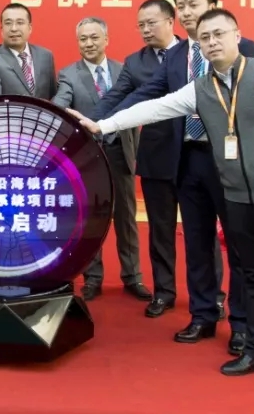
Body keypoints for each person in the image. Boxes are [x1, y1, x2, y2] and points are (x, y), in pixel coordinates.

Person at [70, 8, 254, 399]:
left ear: (237, 35)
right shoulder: (200, 88)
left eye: (219, 34)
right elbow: (154, 108)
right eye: (205, 37)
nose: (212, 42)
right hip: (238, 198)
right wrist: (103, 125)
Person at [93, 0, 251, 349]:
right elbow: (143, 98)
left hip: (228, 160)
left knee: (239, 244)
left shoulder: (243, 48)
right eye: (182, 6)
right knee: (195, 240)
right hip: (186, 159)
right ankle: (202, 315)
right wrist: (99, 123)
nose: (187, 12)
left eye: (193, 4)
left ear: (214, 5)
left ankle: (242, 324)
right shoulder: (178, 56)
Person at [52, 16, 151, 303]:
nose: (89, 43)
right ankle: (93, 278)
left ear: (106, 39)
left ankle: (132, 276)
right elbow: (60, 105)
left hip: (121, 151)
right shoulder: (68, 74)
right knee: (90, 219)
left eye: (94, 37)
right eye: (83, 39)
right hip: (89, 158)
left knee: (126, 218)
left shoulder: (124, 71)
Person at [0, 3, 57, 100]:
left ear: (30, 28)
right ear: (1, 29)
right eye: (8, 23)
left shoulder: (45, 56)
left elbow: (53, 97)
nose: (14, 29)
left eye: (20, 23)